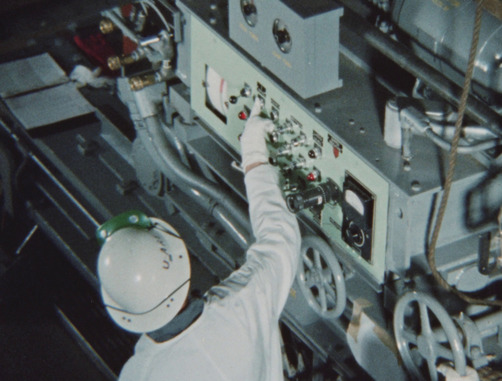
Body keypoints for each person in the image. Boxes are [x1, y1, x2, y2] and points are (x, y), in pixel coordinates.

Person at [96, 98, 301, 380]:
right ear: (181, 262)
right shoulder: (238, 307)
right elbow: (280, 240)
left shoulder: (135, 374)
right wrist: (254, 155)